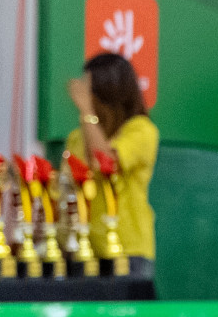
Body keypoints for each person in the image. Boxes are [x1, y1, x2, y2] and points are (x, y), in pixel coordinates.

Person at [65, 52, 159, 278]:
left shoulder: (141, 131)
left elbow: (105, 163)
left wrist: (87, 112)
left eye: (89, 90)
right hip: (83, 251)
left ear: (109, 93)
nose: (84, 97)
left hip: (128, 251)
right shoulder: (77, 138)